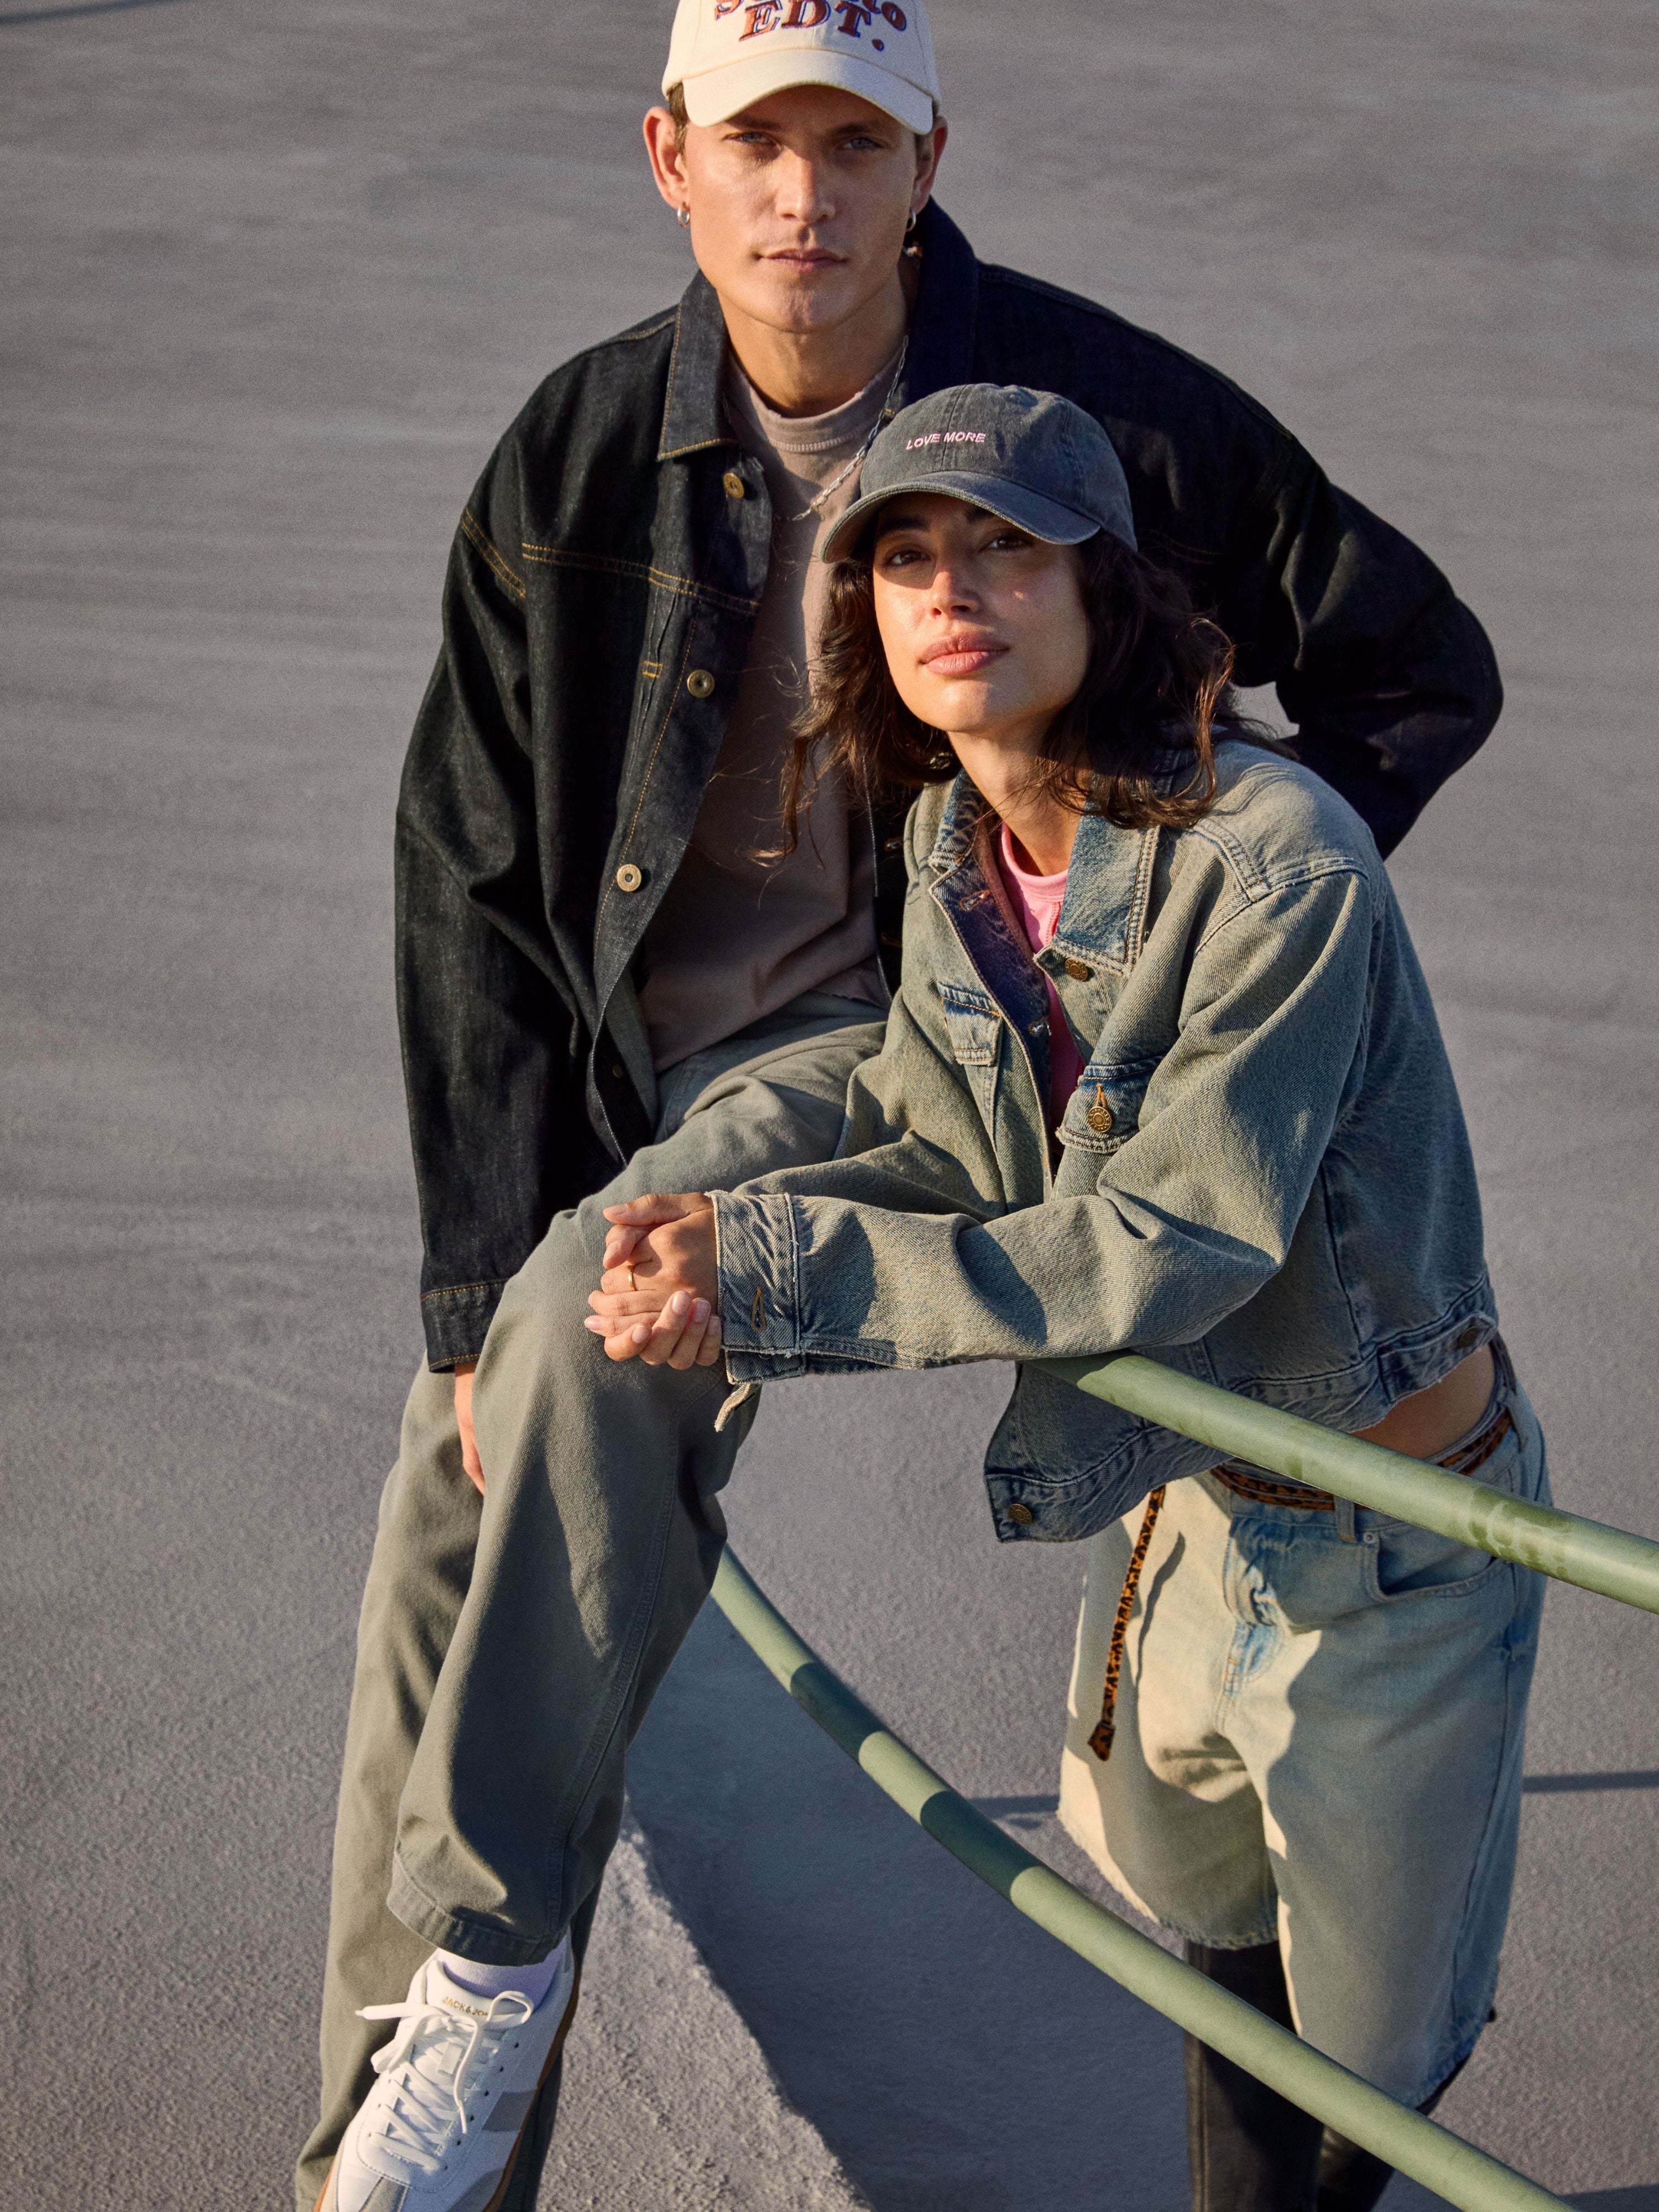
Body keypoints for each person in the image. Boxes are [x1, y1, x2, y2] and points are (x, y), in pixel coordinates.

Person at [297, 0, 1507, 2200]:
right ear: (670, 156)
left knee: (592, 1337)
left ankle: (478, 1965)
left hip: (913, 1055)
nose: (806, 195)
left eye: (856, 142)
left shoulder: (1101, 416)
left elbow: (1417, 661)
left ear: (927, 161)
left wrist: (1187, 914)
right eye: (759, 142)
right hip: (644, 1062)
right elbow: (466, 871)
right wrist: (475, 1284)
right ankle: (424, 2078)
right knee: (457, 1498)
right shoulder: (576, 457)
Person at [586, 385, 1548, 2212]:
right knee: (1207, 1926)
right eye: (906, 556)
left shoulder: (1284, 861)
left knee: (1370, 2048)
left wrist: (773, 1278)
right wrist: (710, 1230)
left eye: (1008, 548)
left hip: (1393, 1545)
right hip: (1185, 1500)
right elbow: (950, 1150)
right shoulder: (954, 843)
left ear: (1110, 589)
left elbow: (1169, 1241)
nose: (953, 591)